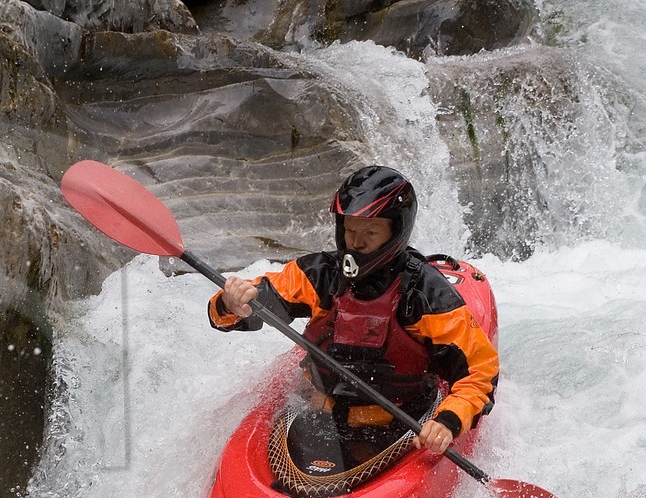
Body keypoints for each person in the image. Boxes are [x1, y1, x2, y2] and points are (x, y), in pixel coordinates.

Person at [207, 166, 498, 472]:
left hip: (397, 424)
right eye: (350, 230)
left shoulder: (425, 294)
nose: (356, 243)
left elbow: (479, 374)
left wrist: (448, 421)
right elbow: (264, 299)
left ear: (395, 233)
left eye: (370, 232)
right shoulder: (320, 274)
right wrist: (233, 303)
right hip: (317, 414)